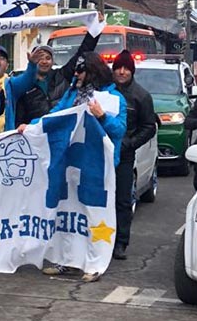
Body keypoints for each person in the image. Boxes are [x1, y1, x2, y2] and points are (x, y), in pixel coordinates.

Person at [20, 52, 127, 282]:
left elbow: (119, 130)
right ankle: (68, 261)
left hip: (96, 167)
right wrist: (31, 126)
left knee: (93, 216)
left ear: (92, 71)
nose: (76, 75)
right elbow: (55, 116)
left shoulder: (112, 98)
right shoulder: (72, 94)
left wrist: (102, 117)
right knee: (67, 215)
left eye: (81, 71)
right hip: (70, 165)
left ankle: (94, 264)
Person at [7, 13, 104, 131]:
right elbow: (19, 118)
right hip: (36, 134)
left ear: (53, 61)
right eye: (40, 58)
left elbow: (83, 51)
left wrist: (95, 29)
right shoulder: (23, 85)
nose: (44, 62)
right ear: (32, 60)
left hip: (61, 131)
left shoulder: (62, 76)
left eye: (48, 58)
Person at [111, 50, 157, 260]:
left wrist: (129, 144)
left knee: (122, 199)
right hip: (101, 153)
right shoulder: (104, 91)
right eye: (118, 68)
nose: (121, 72)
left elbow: (149, 127)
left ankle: (121, 242)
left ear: (132, 71)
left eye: (126, 68)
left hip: (124, 155)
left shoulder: (141, 96)